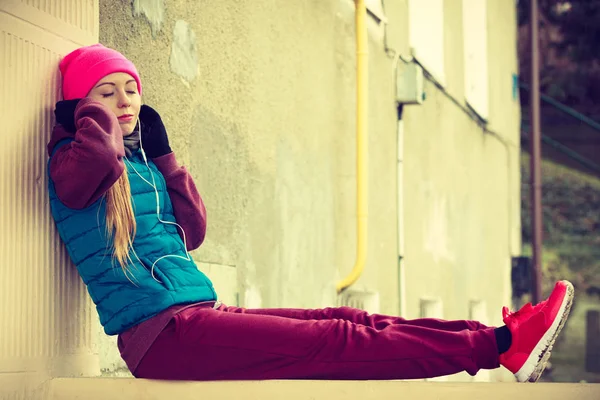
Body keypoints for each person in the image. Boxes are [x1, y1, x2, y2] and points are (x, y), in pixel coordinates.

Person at [47, 44, 574, 383]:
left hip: (196, 315)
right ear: (79, 108)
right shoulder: (73, 164)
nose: (125, 101)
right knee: (334, 343)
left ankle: (496, 337)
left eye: (132, 90)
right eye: (106, 92)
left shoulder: (139, 163)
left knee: (346, 319)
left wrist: (165, 157)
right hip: (160, 338)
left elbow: (194, 232)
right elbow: (98, 154)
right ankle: (499, 346)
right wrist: (91, 116)